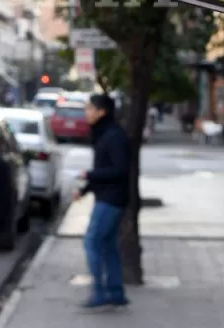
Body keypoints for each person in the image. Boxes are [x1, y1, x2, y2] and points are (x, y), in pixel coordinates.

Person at [74, 93, 131, 310]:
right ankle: (115, 293)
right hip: (108, 196)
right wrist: (85, 188)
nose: (86, 113)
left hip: (111, 199)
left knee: (92, 242)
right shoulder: (103, 134)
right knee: (107, 246)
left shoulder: (113, 136)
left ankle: (99, 292)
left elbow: (119, 170)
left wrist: (89, 175)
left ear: (102, 112)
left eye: (90, 109)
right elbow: (102, 170)